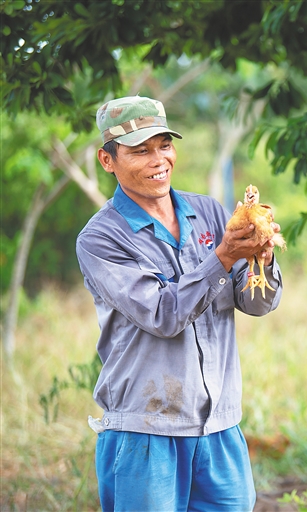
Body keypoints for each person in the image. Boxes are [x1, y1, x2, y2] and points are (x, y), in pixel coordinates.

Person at [76, 95, 282, 511]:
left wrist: (263, 257)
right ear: (107, 160)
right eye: (140, 151)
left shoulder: (208, 211)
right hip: (146, 432)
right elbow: (164, 315)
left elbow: (257, 304)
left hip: (220, 428)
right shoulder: (101, 238)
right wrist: (223, 256)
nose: (158, 160)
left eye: (164, 145)